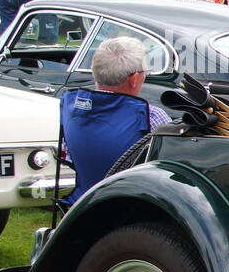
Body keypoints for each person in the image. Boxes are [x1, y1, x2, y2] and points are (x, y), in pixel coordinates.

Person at [59, 36, 170, 204]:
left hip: (83, 203)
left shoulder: (72, 109)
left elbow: (65, 155)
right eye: (144, 72)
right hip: (133, 206)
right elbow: (170, 166)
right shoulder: (151, 116)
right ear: (133, 79)